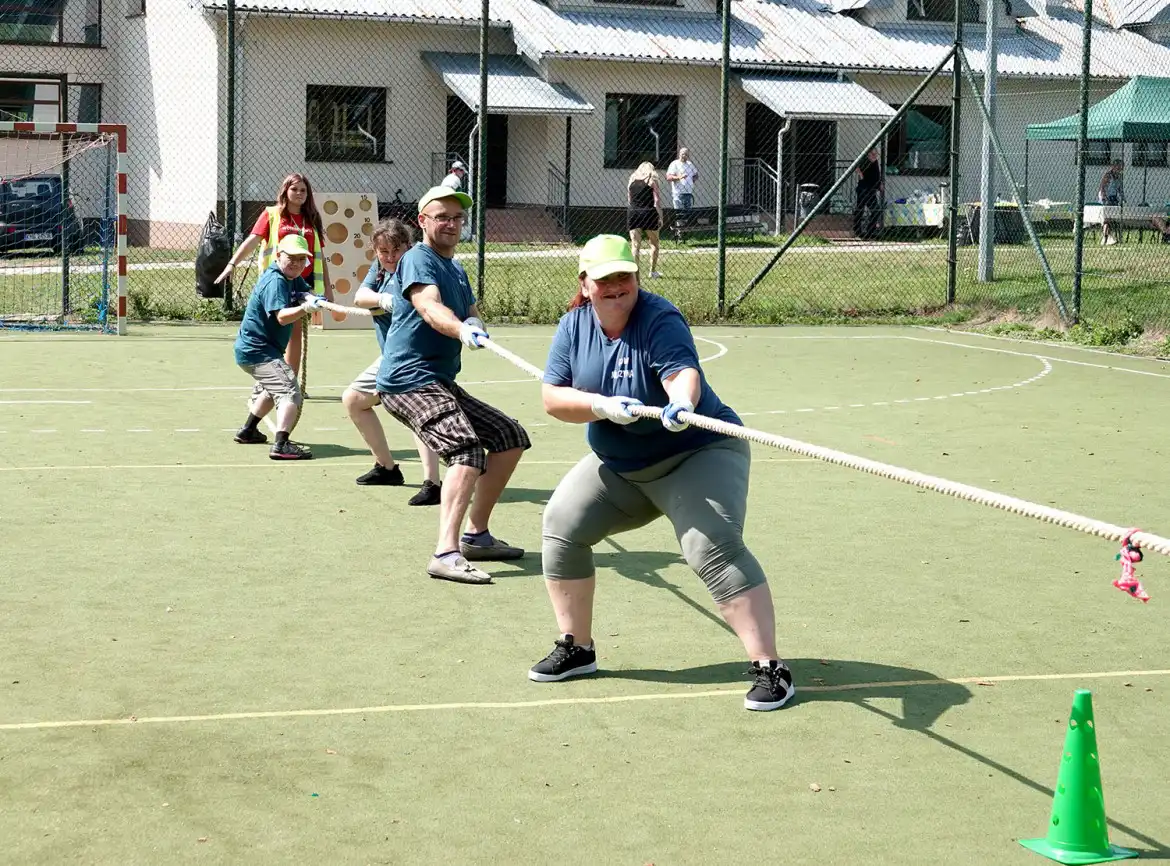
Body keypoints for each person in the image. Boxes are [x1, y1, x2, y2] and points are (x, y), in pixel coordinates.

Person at [528, 234, 794, 712]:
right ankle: (578, 648)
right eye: (604, 279)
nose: (615, 287)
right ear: (585, 283)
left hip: (698, 454)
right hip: (623, 466)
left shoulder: (659, 316)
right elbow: (553, 399)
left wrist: (680, 403)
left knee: (708, 546)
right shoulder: (572, 326)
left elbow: (681, 372)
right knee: (562, 525)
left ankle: (770, 667)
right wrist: (601, 406)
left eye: (623, 277)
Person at [376, 186, 532, 585]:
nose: (450, 224)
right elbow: (428, 305)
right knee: (466, 449)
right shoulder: (417, 259)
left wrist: (475, 324)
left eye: (457, 218)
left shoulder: (456, 268)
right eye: (441, 216)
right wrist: (461, 329)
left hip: (440, 381)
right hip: (407, 381)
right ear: (423, 221)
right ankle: (445, 552)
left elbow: (470, 309)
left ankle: (476, 535)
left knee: (509, 436)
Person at [344, 218, 443, 504]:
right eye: (383, 251)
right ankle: (387, 468)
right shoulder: (379, 269)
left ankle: (432, 483)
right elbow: (359, 296)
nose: (389, 257)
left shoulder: (413, 267)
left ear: (407, 247)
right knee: (354, 400)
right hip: (391, 357)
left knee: (416, 415)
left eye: (395, 250)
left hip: (413, 359)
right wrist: (382, 299)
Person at [215, 173, 333, 376]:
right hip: (277, 283)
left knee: (295, 333)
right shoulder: (271, 214)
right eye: (294, 189)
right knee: (273, 331)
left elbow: (320, 255)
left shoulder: (312, 218)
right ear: (285, 191)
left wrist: (328, 289)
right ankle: (268, 376)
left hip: (301, 284)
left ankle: (291, 380)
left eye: (303, 190)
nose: (299, 193)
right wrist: (232, 264)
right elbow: (252, 240)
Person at [231, 234, 320, 460]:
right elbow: (281, 317)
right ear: (279, 256)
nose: (297, 263)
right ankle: (281, 445)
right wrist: (305, 309)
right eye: (292, 258)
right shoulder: (276, 281)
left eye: (302, 259)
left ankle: (248, 430)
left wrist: (311, 297)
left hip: (263, 350)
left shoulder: (291, 277)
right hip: (257, 352)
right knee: (290, 391)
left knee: (273, 388)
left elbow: (304, 290)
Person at [626, 162, 663, 279]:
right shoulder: (652, 181)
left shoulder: (632, 180)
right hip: (649, 213)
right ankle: (652, 271)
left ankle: (635, 274)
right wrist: (660, 216)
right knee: (654, 243)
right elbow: (656, 201)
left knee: (635, 245)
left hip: (633, 213)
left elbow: (629, 199)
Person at [665, 146, 698, 239]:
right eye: (683, 154)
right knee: (679, 214)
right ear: (679, 154)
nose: (685, 156)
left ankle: (684, 233)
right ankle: (680, 234)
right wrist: (679, 177)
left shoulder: (690, 164)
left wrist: (691, 181)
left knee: (687, 214)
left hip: (689, 193)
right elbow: (668, 177)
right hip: (678, 193)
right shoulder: (674, 164)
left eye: (687, 154)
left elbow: (696, 174)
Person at [854, 148, 883, 240]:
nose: (874, 156)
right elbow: (859, 171)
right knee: (862, 209)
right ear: (868, 155)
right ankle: (859, 231)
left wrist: (879, 185)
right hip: (864, 189)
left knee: (875, 210)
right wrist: (861, 176)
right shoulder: (865, 162)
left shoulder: (875, 162)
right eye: (872, 154)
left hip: (871, 190)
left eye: (876, 154)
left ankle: (869, 231)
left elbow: (876, 176)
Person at [1098, 161, 1124, 246]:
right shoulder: (1108, 175)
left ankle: (1110, 236)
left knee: (1114, 216)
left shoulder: (1120, 177)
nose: (1120, 169)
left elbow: (1120, 189)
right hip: (1106, 198)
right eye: (1118, 167)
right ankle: (1106, 236)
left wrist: (1123, 198)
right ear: (1113, 166)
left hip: (1114, 198)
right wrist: (1104, 198)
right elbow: (1102, 188)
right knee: (1107, 217)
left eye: (1121, 167)